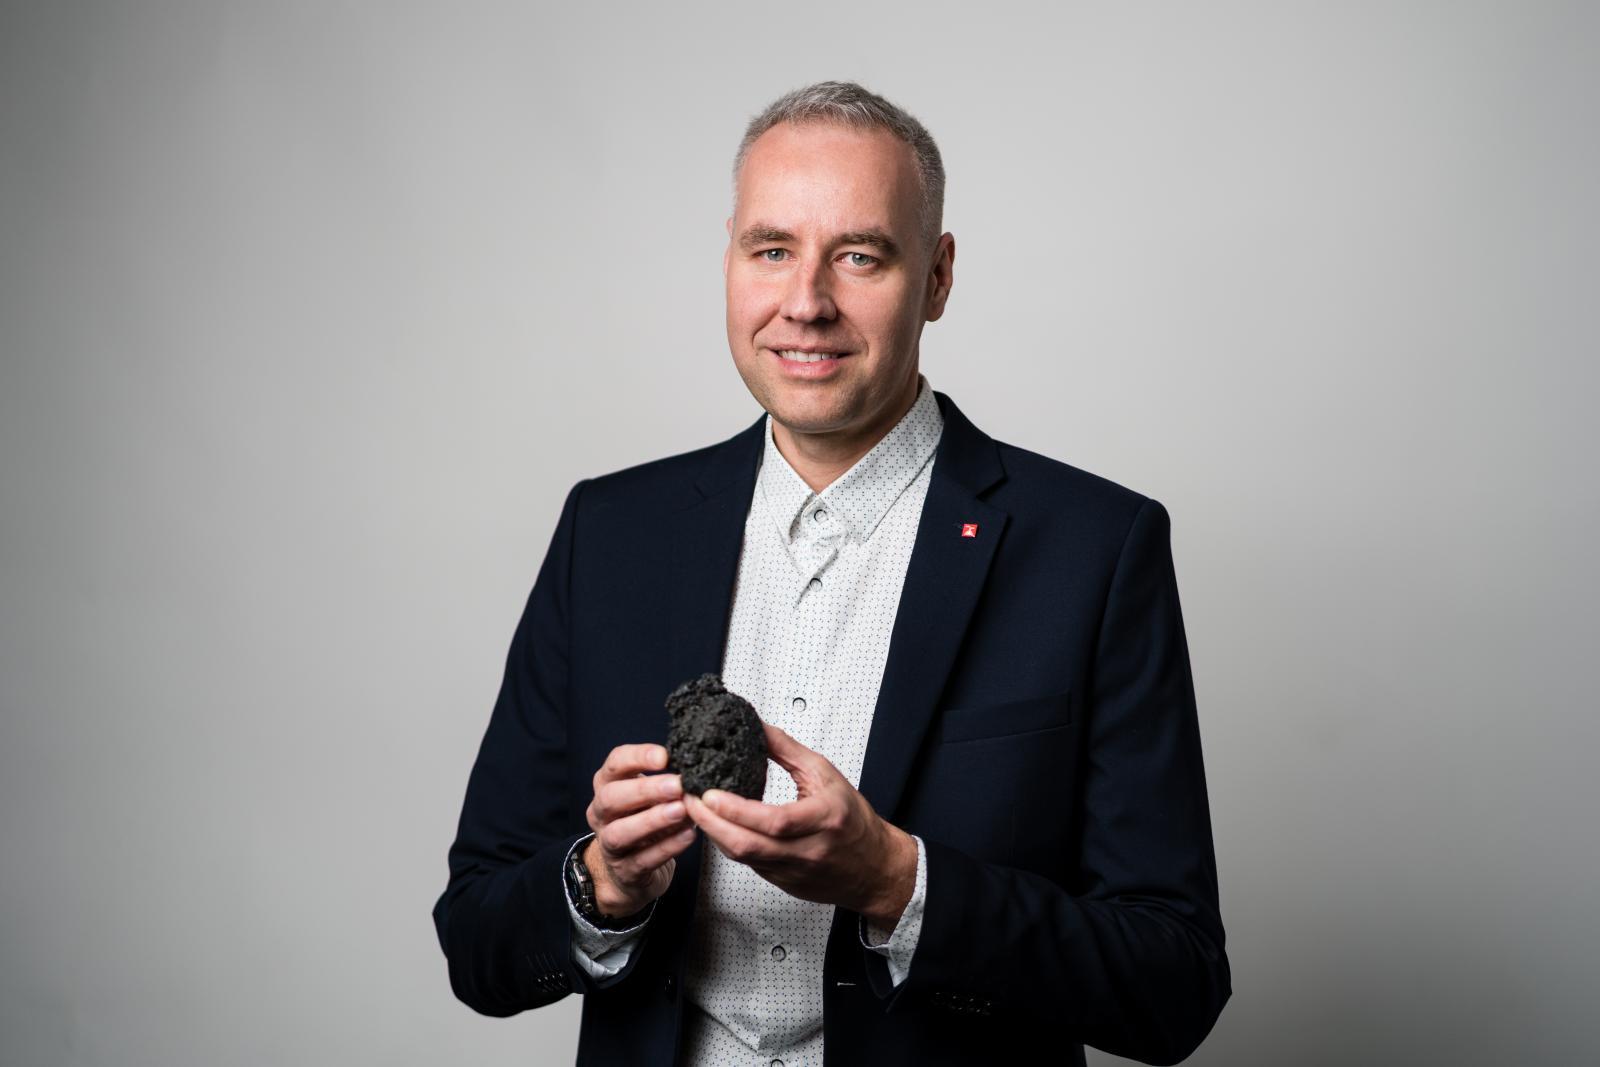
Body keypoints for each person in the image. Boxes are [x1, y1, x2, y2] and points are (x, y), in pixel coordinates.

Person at [433, 81, 1230, 1066]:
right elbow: (476, 936)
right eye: (771, 249)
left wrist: (897, 880)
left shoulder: (1093, 549)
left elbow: (1174, 984)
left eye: (859, 255)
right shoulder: (609, 532)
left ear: (937, 277)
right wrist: (603, 882)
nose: (805, 303)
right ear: (730, 259)